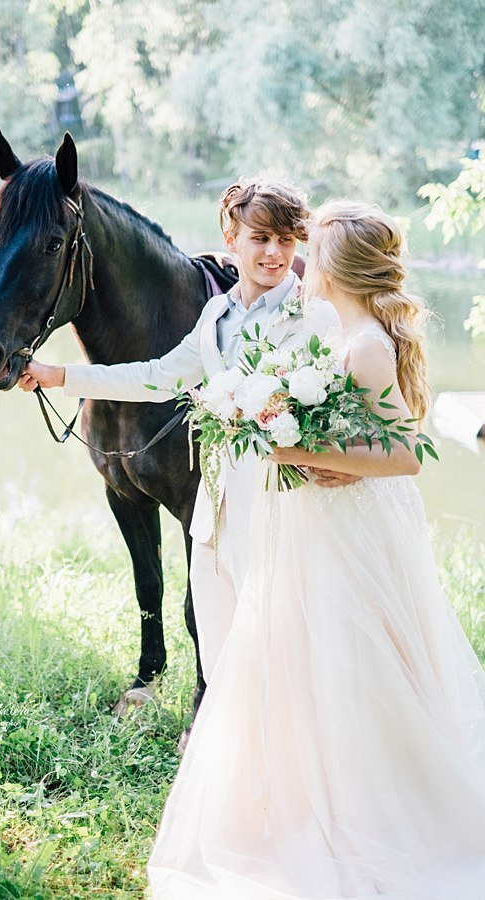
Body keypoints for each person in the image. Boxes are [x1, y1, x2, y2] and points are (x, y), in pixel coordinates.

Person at [146, 200, 485, 899]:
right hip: (320, 519)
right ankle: (312, 791)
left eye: (313, 249)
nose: (300, 258)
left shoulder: (364, 345)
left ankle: (367, 808)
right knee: (307, 658)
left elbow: (402, 455)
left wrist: (284, 442)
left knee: (351, 660)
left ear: (336, 268)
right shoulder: (341, 333)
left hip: (352, 528)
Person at [18, 179, 354, 683]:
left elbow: (348, 404)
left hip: (289, 501)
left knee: (288, 627)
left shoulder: (314, 314)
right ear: (231, 235)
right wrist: (59, 375)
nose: (274, 253)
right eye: (260, 238)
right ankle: (218, 713)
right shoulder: (215, 315)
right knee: (219, 615)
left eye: (286, 240)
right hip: (226, 501)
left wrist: (341, 459)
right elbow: (154, 376)